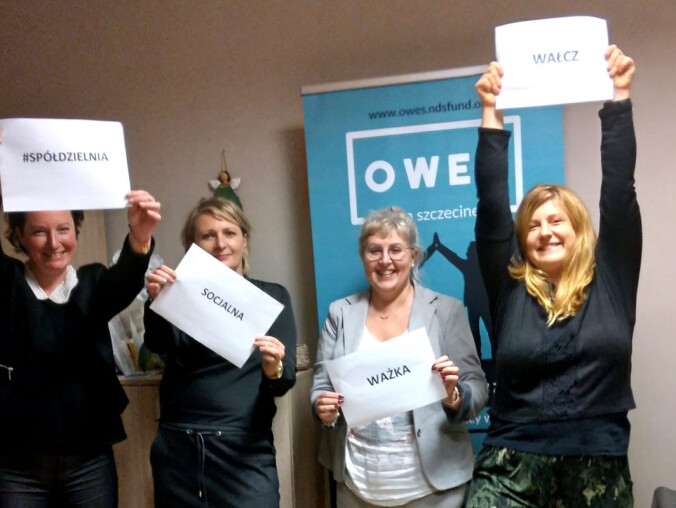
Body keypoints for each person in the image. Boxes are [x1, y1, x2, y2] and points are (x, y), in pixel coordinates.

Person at [464, 45, 639, 507]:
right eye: (533, 225)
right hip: (511, 464)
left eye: (556, 220)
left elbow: (619, 191)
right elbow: (491, 204)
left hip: (597, 464)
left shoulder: (613, 277)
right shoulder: (509, 286)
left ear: (579, 228)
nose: (545, 231)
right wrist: (491, 110)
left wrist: (619, 96)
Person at [311, 206, 487, 508]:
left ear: (414, 255)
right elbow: (320, 388)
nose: (385, 260)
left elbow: (478, 387)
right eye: (374, 250)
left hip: (435, 491)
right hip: (357, 487)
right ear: (363, 257)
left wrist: (454, 395)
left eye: (395, 249)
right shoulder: (340, 313)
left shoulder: (447, 311)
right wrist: (323, 408)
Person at [0, 187, 161, 506]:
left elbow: (125, 279)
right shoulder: (8, 283)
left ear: (76, 230)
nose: (54, 243)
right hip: (17, 467)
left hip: (88, 463)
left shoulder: (93, 283)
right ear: (19, 236)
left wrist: (140, 235)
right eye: (39, 232)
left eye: (63, 229)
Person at [143, 197, 296, 507]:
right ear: (193, 246)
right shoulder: (176, 293)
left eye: (229, 233)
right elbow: (158, 345)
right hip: (179, 448)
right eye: (207, 235)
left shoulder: (271, 297)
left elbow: (283, 381)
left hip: (243, 451)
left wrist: (273, 368)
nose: (220, 244)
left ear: (244, 239)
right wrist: (156, 303)